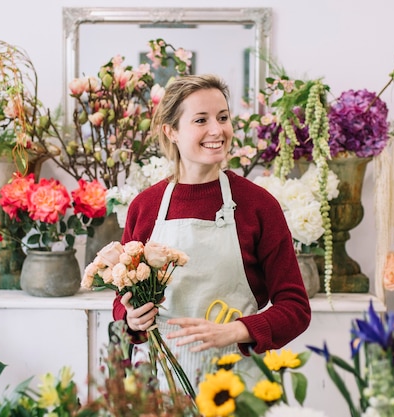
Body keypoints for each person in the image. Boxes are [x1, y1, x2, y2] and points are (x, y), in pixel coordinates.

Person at [112, 74, 311, 386]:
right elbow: (122, 300)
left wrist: (234, 331)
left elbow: (295, 308)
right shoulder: (145, 206)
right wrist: (131, 319)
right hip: (158, 382)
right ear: (171, 131)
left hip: (237, 382)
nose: (217, 130)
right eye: (201, 120)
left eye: (223, 117)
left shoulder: (258, 206)